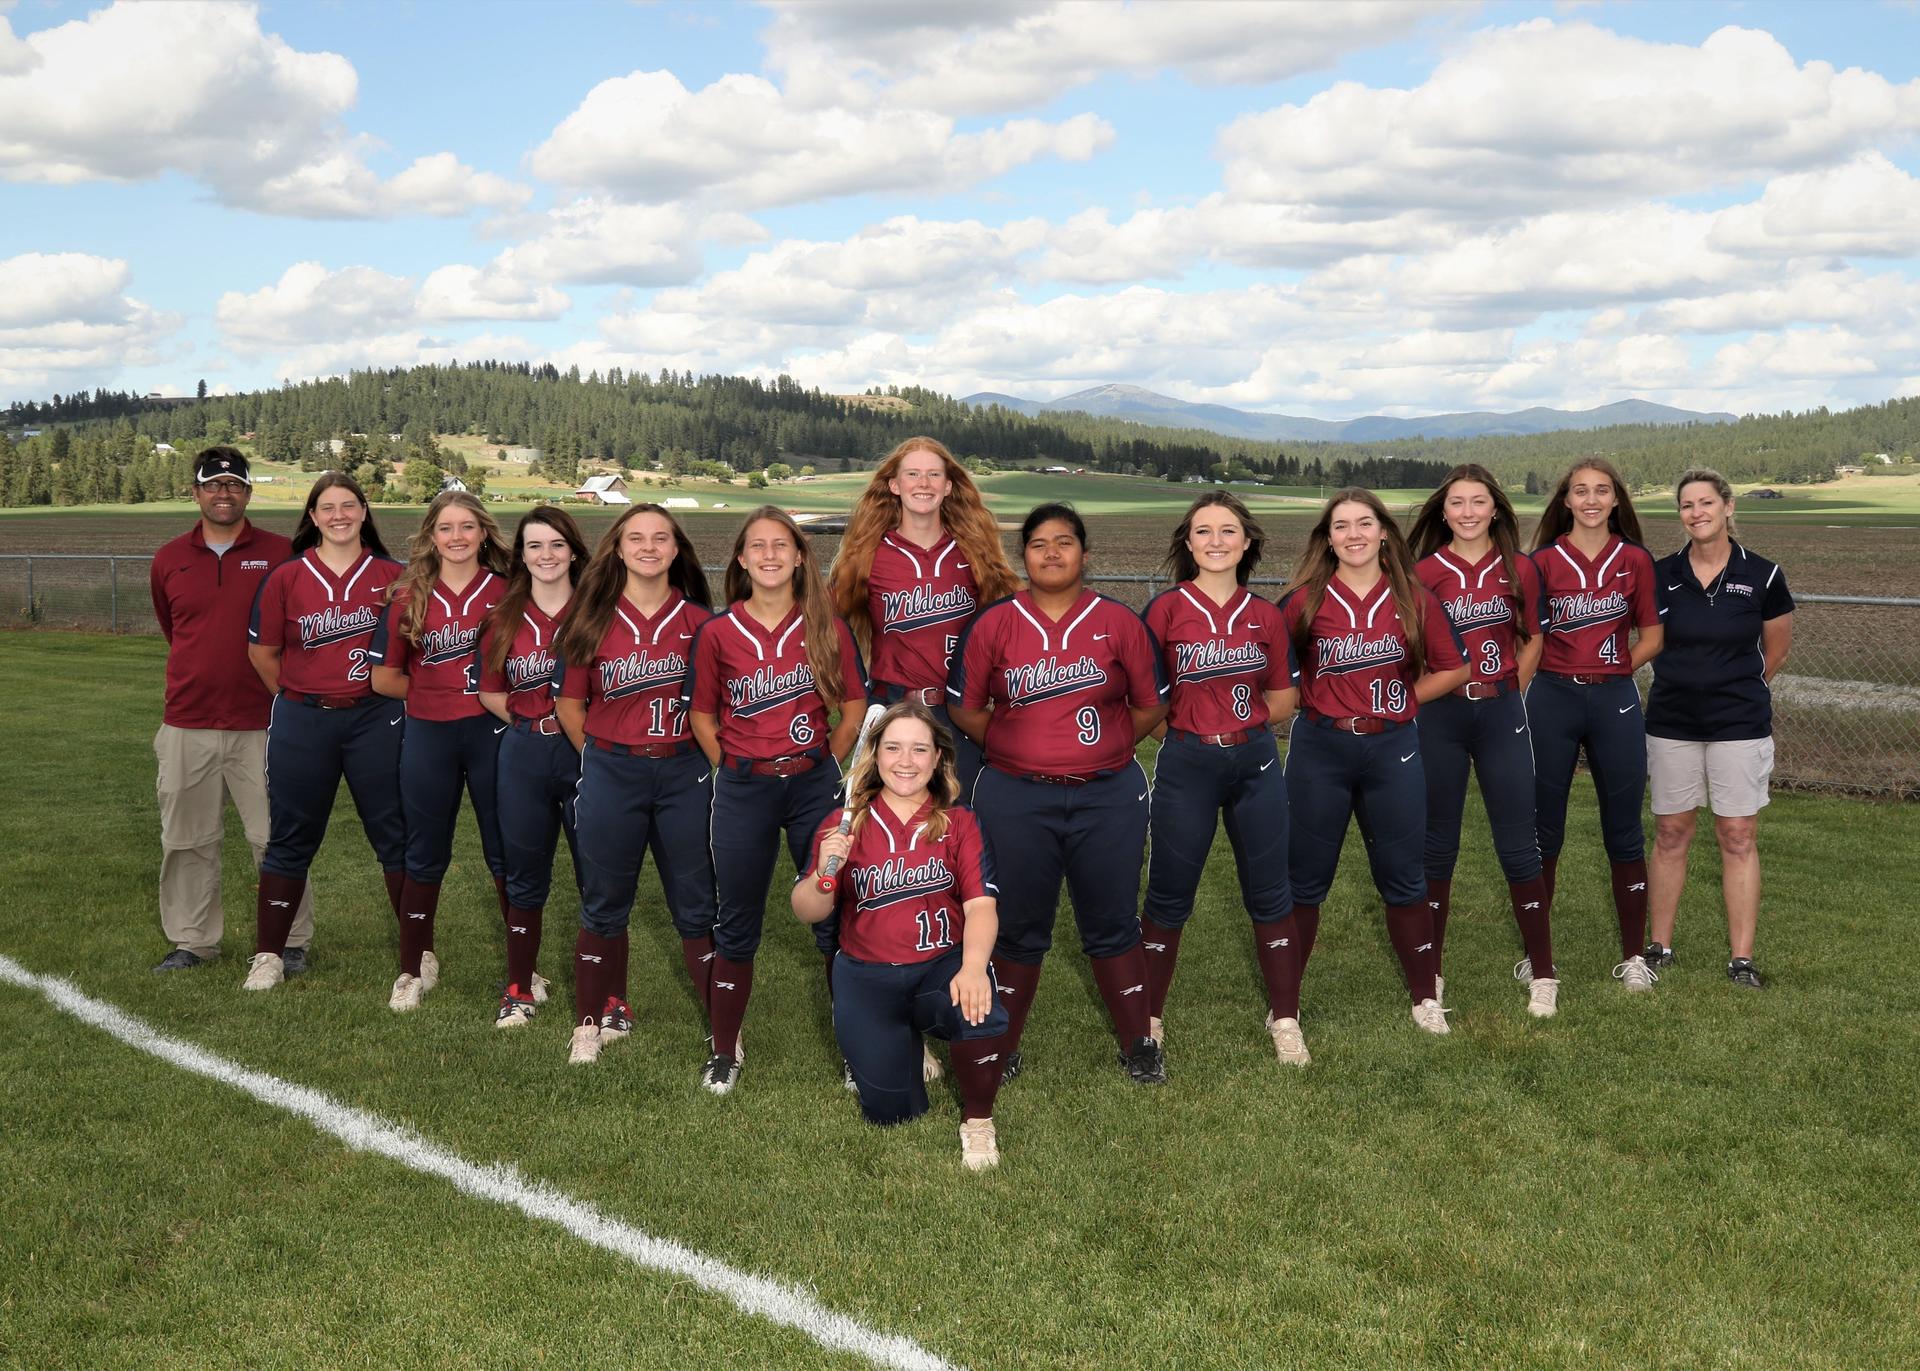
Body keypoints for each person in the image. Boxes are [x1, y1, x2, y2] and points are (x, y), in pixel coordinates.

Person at [947, 503, 1170, 1086]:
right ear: (1024, 555)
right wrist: (1015, 745)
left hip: (1107, 795)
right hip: (1016, 796)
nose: (1051, 552)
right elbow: (965, 708)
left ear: (1084, 554)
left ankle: (1139, 1043)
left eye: (1064, 541)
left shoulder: (1118, 621)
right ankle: (1002, 1043)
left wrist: (1109, 746)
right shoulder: (995, 623)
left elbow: (1152, 704)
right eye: (1039, 543)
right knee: (1016, 924)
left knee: (1113, 921)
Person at [1276, 488, 1469, 1043]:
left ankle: (1425, 997)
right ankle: (1286, 1008)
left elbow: (1454, 667)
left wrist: (1404, 698)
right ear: (1327, 538)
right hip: (1321, 747)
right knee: (1304, 880)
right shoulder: (1303, 601)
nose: (1354, 534)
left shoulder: (1412, 597)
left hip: (1392, 749)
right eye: (1341, 525)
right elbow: (1276, 674)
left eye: (1364, 523)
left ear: (1384, 532)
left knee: (1405, 877)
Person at [686, 507, 867, 1095]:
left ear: (798, 557)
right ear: (741, 559)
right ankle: (724, 1050)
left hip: (812, 786)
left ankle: (856, 1049)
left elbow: (854, 709)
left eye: (780, 545)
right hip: (745, 789)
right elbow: (703, 715)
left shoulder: (825, 626)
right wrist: (734, 765)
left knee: (834, 914)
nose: (769, 555)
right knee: (737, 920)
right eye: (757, 546)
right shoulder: (718, 632)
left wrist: (822, 760)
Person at [791, 703, 1011, 1169]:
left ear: (937, 758)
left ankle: (978, 1121)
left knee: (977, 1009)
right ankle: (910, 1043)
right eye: (893, 748)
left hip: (939, 967)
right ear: (875, 756)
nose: (905, 761)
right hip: (866, 977)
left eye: (919, 749)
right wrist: (825, 873)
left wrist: (974, 968)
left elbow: (981, 907)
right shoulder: (842, 825)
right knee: (892, 1115)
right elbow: (807, 910)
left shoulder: (960, 822)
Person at [1139, 493, 1305, 1062]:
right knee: (1168, 894)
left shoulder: (1266, 614)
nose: (1216, 541)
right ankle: (1148, 1019)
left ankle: (1286, 1018)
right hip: (1187, 763)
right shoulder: (1164, 611)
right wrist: (1189, 737)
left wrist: (1242, 729)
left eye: (1228, 530)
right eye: (1204, 531)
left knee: (1271, 891)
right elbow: (1145, 700)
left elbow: (1282, 697)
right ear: (1188, 543)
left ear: (1247, 541)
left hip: (1254, 762)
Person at [554, 504, 717, 1067]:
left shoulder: (700, 622)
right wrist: (607, 756)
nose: (649, 547)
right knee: (603, 904)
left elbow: (715, 708)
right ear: (618, 550)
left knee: (696, 907)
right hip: (613, 770)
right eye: (637, 538)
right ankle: (588, 1023)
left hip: (683, 772)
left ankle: (723, 1033)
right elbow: (571, 706)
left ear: (676, 549)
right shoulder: (591, 617)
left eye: (661, 538)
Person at [149, 447, 312, 973]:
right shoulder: (169, 558)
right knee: (187, 841)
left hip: (265, 724)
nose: (224, 493)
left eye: (234, 484)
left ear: (247, 492)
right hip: (187, 722)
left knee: (275, 839)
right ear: (196, 492)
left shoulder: (283, 553)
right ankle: (192, 941)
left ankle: (289, 942)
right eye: (213, 485)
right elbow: (175, 629)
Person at [241, 472, 405, 991]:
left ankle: (416, 955)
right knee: (291, 836)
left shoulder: (394, 576)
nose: (339, 516)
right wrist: (302, 697)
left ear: (364, 512)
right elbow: (263, 653)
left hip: (375, 717)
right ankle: (269, 955)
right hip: (304, 718)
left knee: (394, 835)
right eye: (328, 507)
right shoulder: (287, 576)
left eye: (349, 505)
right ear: (312, 516)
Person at [1408, 465, 1558, 1017]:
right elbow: (1409, 648)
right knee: (1437, 845)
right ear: (1443, 511)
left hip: (1499, 712)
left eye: (1478, 501)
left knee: (1519, 843)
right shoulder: (1423, 572)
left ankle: (1543, 971)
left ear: (1495, 508)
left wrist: (1512, 690)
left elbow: (1533, 637)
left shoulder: (1519, 567)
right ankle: (1431, 974)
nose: (1467, 512)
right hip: (1441, 716)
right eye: (1457, 503)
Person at [1644, 469, 1793, 989]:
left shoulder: (1764, 575)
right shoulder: (1660, 574)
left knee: (1737, 835)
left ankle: (1741, 959)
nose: (1697, 513)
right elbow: (1650, 640)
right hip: (1672, 722)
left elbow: (1776, 651)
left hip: (1739, 725)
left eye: (1706, 502)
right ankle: (1658, 947)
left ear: (1728, 507)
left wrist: (1732, 688)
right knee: (1670, 833)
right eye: (1687, 505)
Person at [369, 491, 512, 1013]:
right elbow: (383, 677)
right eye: (446, 528)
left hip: (492, 734)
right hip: (430, 735)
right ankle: (412, 968)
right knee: (424, 852)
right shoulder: (409, 595)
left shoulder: (507, 591)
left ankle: (523, 971)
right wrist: (437, 694)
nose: (457, 537)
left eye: (467, 526)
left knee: (506, 851)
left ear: (484, 533)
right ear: (431, 536)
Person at [1528, 459, 1667, 992]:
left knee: (1624, 830)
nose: (1591, 499)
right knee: (1544, 829)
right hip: (1552, 698)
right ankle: (1538, 957)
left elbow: (1652, 636)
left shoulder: (1635, 559)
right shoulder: (1542, 561)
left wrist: (1615, 669)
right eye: (1580, 491)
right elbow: (1527, 637)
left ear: (1616, 500)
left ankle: (1633, 958)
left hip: (1613, 699)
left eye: (1601, 490)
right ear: (1566, 500)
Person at [828, 435, 1019, 796]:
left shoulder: (975, 553)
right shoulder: (868, 555)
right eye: (913, 474)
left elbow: (1014, 625)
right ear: (894, 485)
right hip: (891, 707)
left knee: (961, 816)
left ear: (948, 486)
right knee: (884, 819)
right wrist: (852, 697)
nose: (923, 483)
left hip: (957, 712)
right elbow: (822, 627)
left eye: (934, 474)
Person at [476, 505, 589, 1028]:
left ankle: (607, 995)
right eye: (535, 545)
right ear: (521, 556)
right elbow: (490, 691)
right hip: (524, 752)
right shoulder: (502, 616)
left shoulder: (598, 613)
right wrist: (533, 722)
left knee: (597, 877)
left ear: (574, 552)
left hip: (585, 752)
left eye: (557, 544)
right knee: (524, 877)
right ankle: (518, 989)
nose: (547, 555)